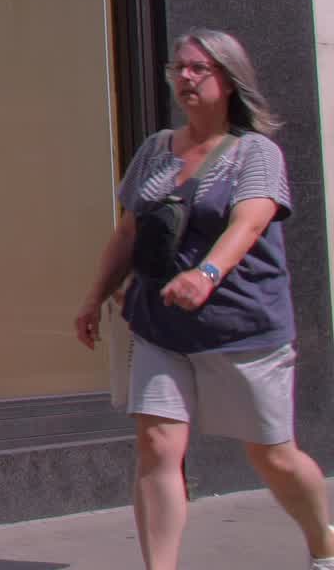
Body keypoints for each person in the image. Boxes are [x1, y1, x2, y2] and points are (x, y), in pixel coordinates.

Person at [73, 29, 333, 570]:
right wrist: (94, 295)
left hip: (242, 327)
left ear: (230, 82)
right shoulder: (155, 149)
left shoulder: (255, 153)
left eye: (199, 69)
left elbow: (251, 219)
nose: (185, 78)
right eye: (179, 68)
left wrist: (207, 274)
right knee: (158, 447)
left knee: (272, 455)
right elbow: (129, 232)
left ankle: (323, 541)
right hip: (158, 325)